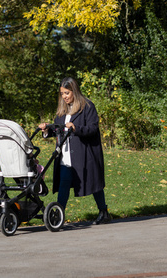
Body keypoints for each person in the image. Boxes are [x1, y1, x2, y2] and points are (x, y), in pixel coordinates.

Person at [39, 76, 111, 225]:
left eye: (67, 93)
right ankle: (59, 214)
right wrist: (47, 130)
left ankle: (103, 211)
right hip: (65, 154)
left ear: (74, 91)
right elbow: (58, 129)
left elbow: (92, 128)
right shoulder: (62, 112)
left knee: (93, 183)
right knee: (64, 183)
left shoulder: (87, 107)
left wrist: (76, 128)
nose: (64, 96)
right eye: (62, 94)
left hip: (84, 154)